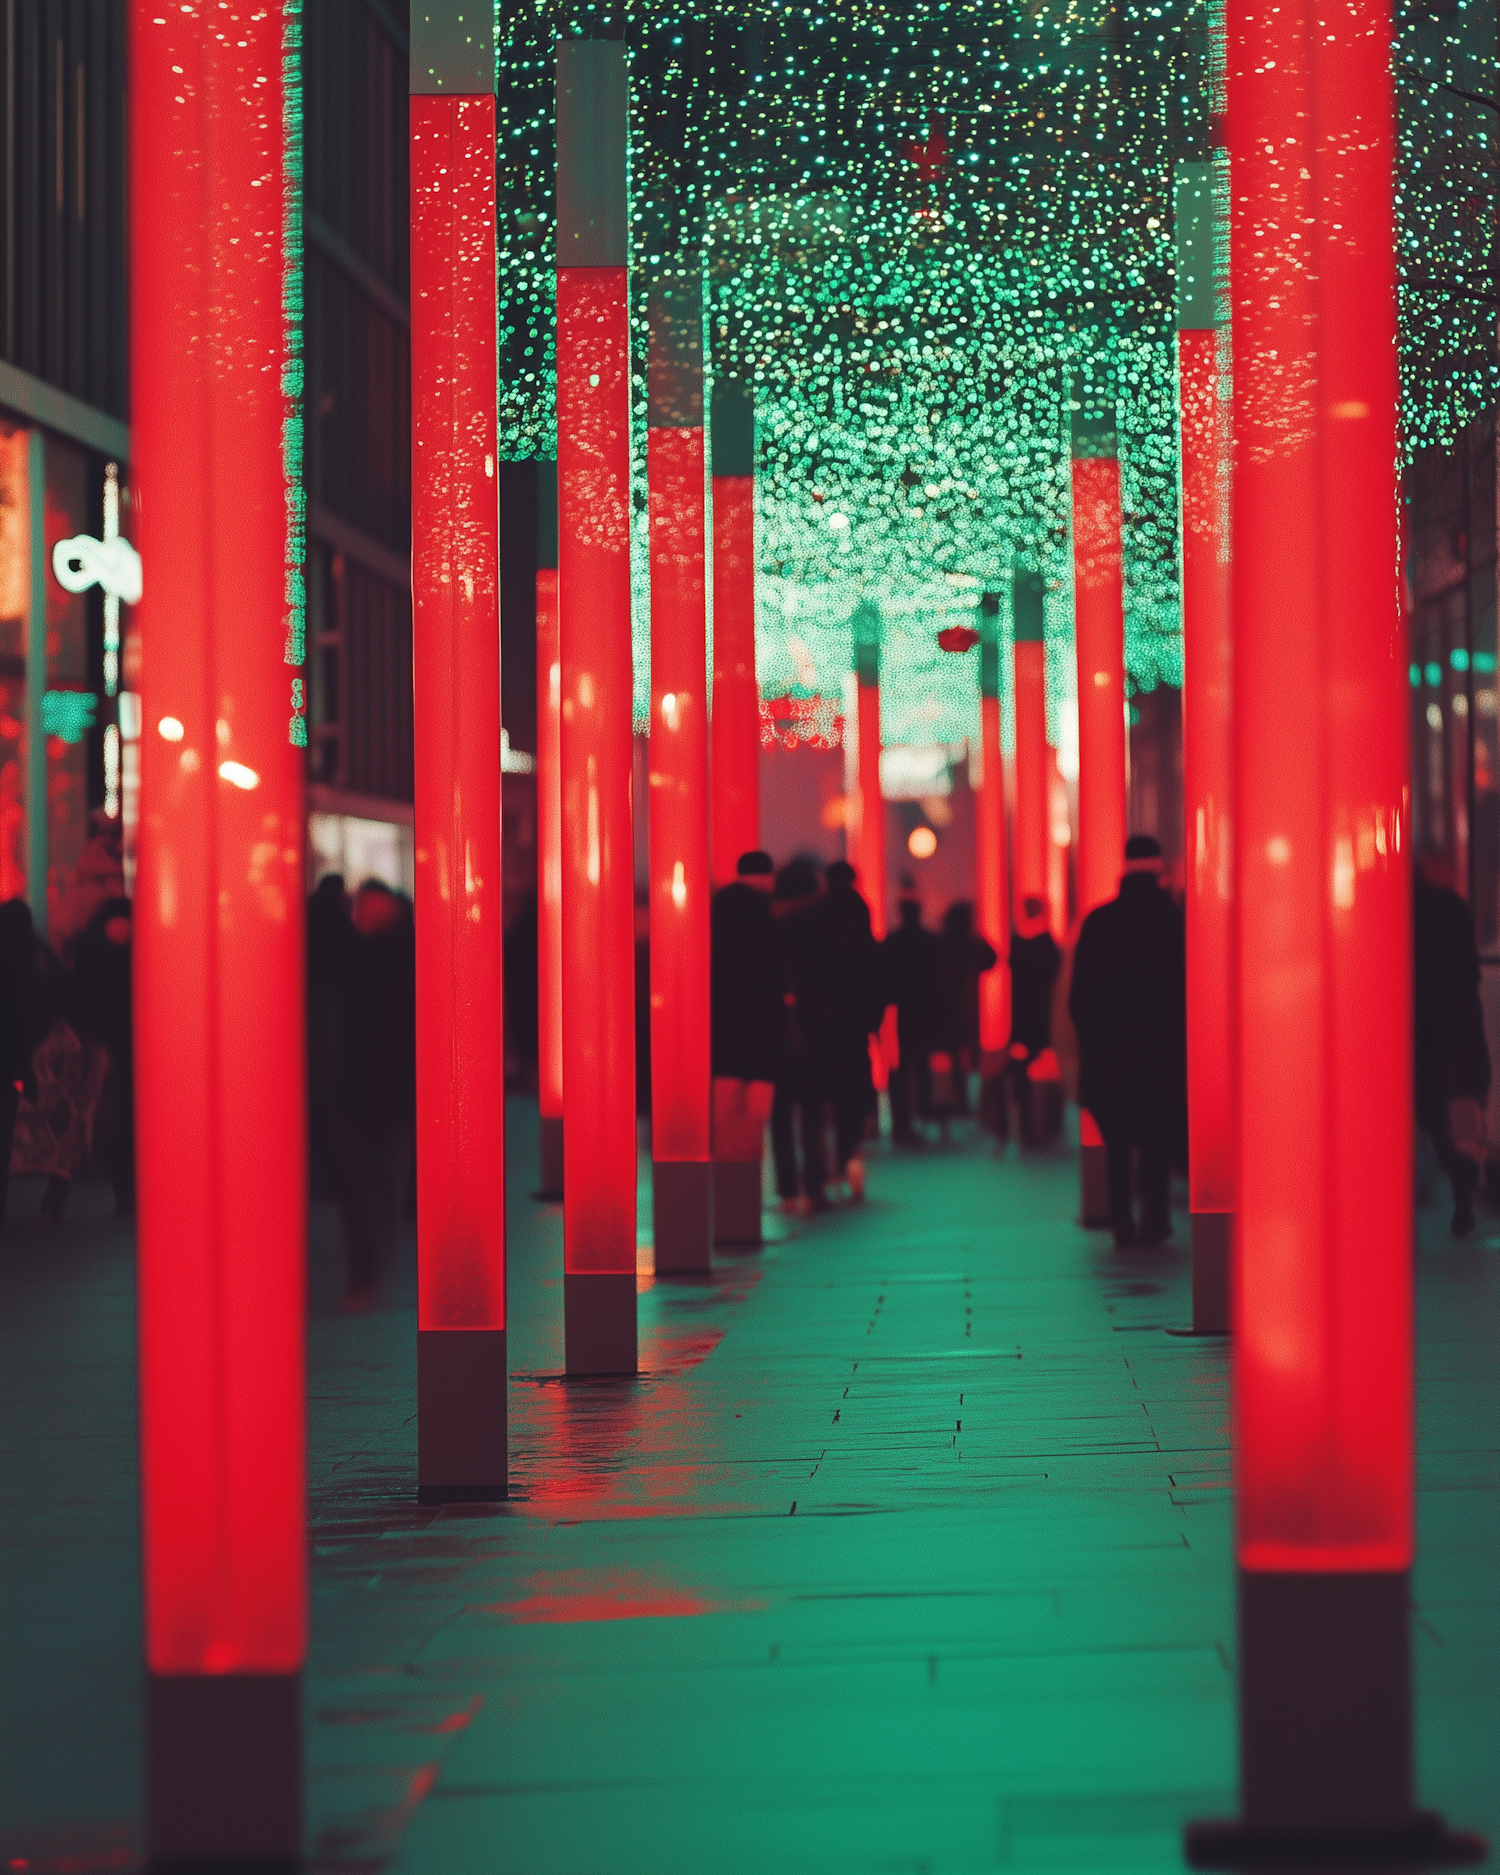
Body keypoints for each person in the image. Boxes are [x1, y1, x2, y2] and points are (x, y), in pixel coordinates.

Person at [1068, 834, 1186, 1247]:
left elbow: (1079, 997)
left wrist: (1092, 1045)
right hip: (1159, 1054)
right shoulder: (1173, 921)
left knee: (1118, 1141)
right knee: (1156, 1137)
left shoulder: (1099, 922)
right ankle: (1155, 1215)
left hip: (1109, 1056)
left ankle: (1120, 1218)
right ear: (1158, 868)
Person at [797, 860, 884, 1199]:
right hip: (854, 1024)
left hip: (818, 1024)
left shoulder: (811, 917)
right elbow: (871, 970)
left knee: (816, 1101)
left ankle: (816, 1173)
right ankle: (845, 1155)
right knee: (854, 1095)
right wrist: (873, 1020)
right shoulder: (860, 914)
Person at [1414, 856, 1491, 1234]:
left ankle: (1446, 1176)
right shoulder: (1454, 908)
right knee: (1446, 1112)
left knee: (1425, 1115)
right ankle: (1462, 1192)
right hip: (1458, 1028)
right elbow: (1470, 969)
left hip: (1419, 1028)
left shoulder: (1405, 911)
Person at [710, 851, 786, 1205]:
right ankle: (748, 1189)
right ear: (768, 877)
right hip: (762, 1028)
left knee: (724, 1113)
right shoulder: (770, 912)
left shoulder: (716, 906)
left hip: (722, 1027)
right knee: (756, 1114)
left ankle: (725, 1186)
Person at [70, 897, 135, 1214]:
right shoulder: (142, 945)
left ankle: (117, 1182)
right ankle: (133, 1186)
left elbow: (78, 995)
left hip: (98, 1040)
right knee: (132, 1113)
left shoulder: (90, 945)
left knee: (103, 1110)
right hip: (134, 1041)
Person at [769, 857, 824, 1209]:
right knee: (814, 1108)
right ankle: (816, 1180)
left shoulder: (770, 927)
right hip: (815, 1027)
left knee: (781, 1111)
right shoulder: (819, 927)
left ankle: (787, 1186)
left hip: (777, 1030)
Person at [881, 893, 942, 1144]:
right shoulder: (929, 942)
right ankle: (924, 1114)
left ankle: (901, 1121)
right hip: (924, 1010)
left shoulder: (892, 942)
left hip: (898, 1011)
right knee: (922, 1065)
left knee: (899, 1066)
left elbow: (883, 976)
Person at [1009, 895, 1063, 1146]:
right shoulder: (1047, 944)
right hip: (1043, 1016)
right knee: (1043, 1070)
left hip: (1021, 1017)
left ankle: (1025, 1125)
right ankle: (1044, 1124)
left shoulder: (1017, 944)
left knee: (1022, 1071)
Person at [933, 900, 996, 1115]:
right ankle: (963, 1102)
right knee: (967, 1055)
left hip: (949, 1007)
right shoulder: (969, 943)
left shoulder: (945, 942)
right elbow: (991, 957)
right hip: (965, 1008)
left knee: (955, 1056)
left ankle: (956, 1101)